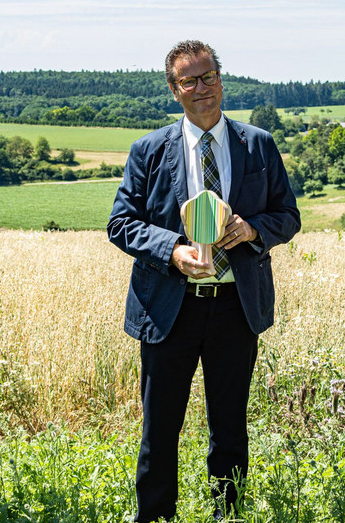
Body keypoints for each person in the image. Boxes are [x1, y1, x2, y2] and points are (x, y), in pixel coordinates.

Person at [108, 40, 300, 522]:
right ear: (174, 90)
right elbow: (121, 223)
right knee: (160, 430)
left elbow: (288, 216)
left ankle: (227, 516)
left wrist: (254, 229)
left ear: (221, 78)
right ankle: (155, 518)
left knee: (230, 429)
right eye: (189, 80)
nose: (202, 88)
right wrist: (171, 251)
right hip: (169, 307)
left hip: (236, 306)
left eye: (208, 76)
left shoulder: (258, 144)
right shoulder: (149, 150)